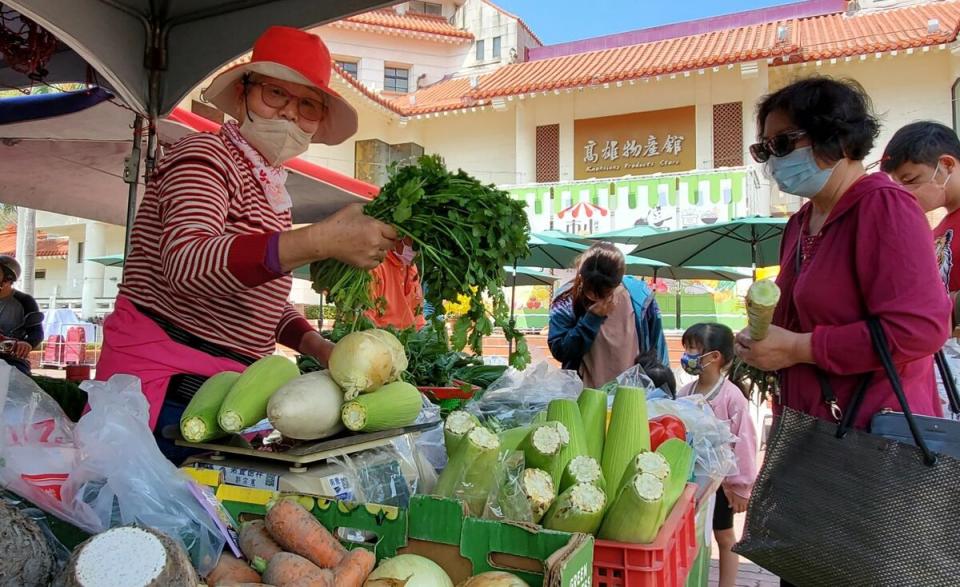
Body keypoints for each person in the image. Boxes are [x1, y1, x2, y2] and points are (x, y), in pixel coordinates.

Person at [95, 26, 398, 463]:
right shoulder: (204, 157)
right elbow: (189, 262)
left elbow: (258, 297)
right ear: (242, 94)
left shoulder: (273, 191)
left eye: (308, 104)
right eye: (275, 94)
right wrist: (319, 240)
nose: (290, 114)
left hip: (235, 394)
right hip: (160, 391)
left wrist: (318, 347)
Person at [881, 121, 960, 419]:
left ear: (946, 165)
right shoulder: (935, 229)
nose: (904, 193)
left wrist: (936, 309)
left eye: (911, 180)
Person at [678, 323, 756, 587]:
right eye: (686, 347)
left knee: (723, 536)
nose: (687, 354)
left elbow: (745, 443)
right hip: (690, 479)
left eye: (693, 349)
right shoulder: (685, 393)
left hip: (721, 484)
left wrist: (741, 487)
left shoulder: (732, 397)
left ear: (715, 357)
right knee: (693, 535)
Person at [548, 242, 668, 388]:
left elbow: (657, 351)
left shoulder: (642, 298)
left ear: (618, 281)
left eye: (605, 291)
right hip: (583, 396)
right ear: (582, 276)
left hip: (632, 397)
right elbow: (560, 351)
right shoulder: (566, 299)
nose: (595, 296)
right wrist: (591, 319)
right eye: (590, 289)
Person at [364, 238, 426, 330]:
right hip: (382, 338)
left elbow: (418, 314)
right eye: (413, 242)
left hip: (409, 336)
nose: (418, 249)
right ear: (399, 238)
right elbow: (367, 319)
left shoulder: (412, 267)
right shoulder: (376, 266)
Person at [0, 256, 42, 375]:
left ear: (8, 278)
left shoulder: (25, 301)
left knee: (16, 382)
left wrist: (27, 343)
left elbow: (37, 332)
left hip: (12, 356)